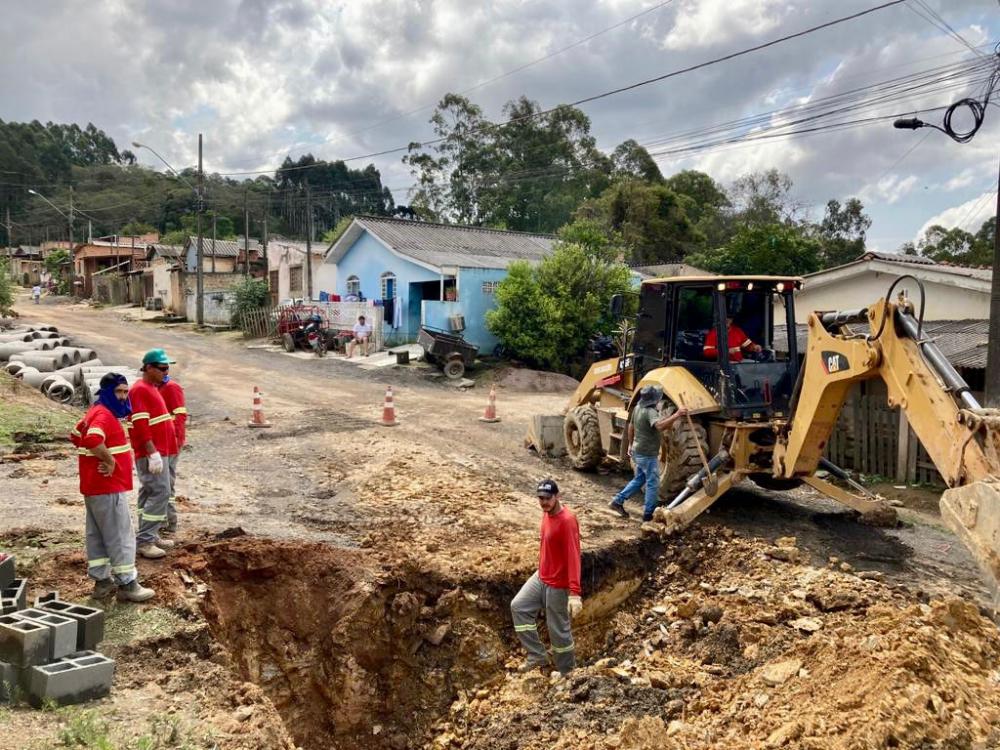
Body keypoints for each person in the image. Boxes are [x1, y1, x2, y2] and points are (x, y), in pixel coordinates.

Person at [69, 373, 154, 602]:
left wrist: (92, 460)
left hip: (93, 487)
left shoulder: (95, 411)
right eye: (118, 391)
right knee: (120, 535)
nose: (123, 396)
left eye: (126, 392)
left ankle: (102, 582)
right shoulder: (104, 415)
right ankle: (127, 584)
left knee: (97, 535)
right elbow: (92, 440)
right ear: (107, 392)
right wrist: (109, 461)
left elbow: (76, 435)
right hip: (107, 486)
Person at [510, 479, 582, 675]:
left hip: (558, 584)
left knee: (558, 631)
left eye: (547, 498)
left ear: (557, 496)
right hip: (541, 577)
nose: (543, 502)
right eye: (540, 498)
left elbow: (574, 557)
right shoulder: (546, 513)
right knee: (518, 606)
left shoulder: (567, 521)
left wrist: (574, 592)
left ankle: (568, 673)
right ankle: (537, 655)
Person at [608, 386, 688, 522]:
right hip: (647, 455)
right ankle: (648, 515)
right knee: (653, 483)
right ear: (654, 399)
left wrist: (630, 444)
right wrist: (677, 415)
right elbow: (660, 426)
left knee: (639, 479)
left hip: (638, 451)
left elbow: (631, 427)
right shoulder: (650, 412)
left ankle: (617, 501)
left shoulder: (637, 408)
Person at [128, 349, 179, 559]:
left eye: (167, 368)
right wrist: (152, 453)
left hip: (160, 450)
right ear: (148, 368)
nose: (166, 372)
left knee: (149, 492)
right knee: (161, 491)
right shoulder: (140, 390)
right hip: (152, 452)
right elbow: (140, 424)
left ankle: (149, 534)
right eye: (162, 368)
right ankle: (146, 541)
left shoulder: (151, 388)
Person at [157, 372, 187, 537]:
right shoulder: (157, 387)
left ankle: (169, 522)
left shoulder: (171, 388)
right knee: (161, 481)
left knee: (166, 481)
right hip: (161, 442)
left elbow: (179, 416)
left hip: (170, 443)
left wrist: (176, 440)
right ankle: (163, 520)